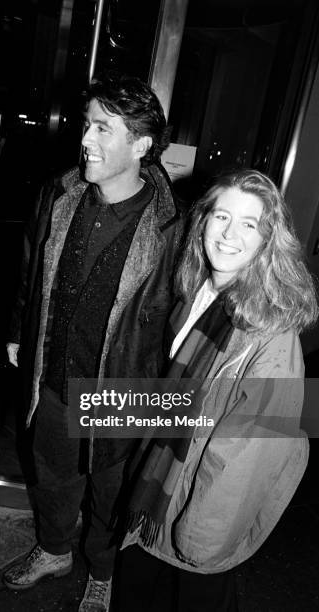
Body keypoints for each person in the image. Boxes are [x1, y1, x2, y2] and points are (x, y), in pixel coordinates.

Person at [2, 72, 183, 612]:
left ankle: (103, 570)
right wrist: (18, 332)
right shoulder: (61, 195)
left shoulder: (171, 227)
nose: (86, 139)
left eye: (104, 129)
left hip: (121, 385)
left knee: (110, 493)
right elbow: (31, 270)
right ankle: (54, 548)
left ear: (141, 144)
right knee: (52, 475)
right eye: (87, 125)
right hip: (55, 372)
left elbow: (179, 319)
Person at [117, 169, 318, 612]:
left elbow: (258, 449)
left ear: (269, 240)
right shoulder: (199, 291)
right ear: (202, 221)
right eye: (221, 216)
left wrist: (202, 539)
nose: (229, 234)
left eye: (249, 224)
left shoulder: (274, 336)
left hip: (199, 515)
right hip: (156, 498)